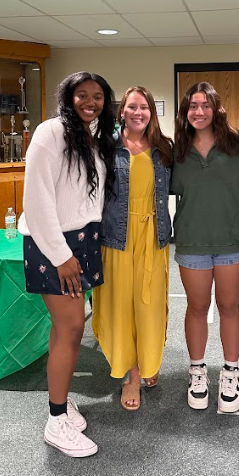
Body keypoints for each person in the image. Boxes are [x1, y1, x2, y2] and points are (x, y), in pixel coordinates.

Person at [18, 72, 116, 457]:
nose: (90, 102)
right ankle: (57, 421)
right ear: (68, 97)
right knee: (73, 326)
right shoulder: (49, 132)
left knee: (65, 329)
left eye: (97, 97)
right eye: (82, 95)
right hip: (54, 244)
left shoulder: (92, 139)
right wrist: (61, 256)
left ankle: (58, 404)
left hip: (82, 240)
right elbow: (37, 200)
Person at [171, 82, 239, 413]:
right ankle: (198, 370)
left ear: (217, 108)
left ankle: (231, 372)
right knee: (197, 307)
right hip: (192, 242)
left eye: (205, 105)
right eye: (192, 106)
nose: (199, 111)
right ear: (185, 112)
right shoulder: (176, 149)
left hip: (232, 240)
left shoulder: (238, 144)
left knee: (229, 305)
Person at [92, 86, 172, 411]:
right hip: (118, 238)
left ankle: (149, 362)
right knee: (122, 307)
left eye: (144, 107)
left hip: (153, 237)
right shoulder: (106, 149)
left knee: (150, 306)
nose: (138, 113)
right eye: (132, 107)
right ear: (121, 111)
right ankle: (133, 374)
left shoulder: (164, 149)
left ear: (151, 112)